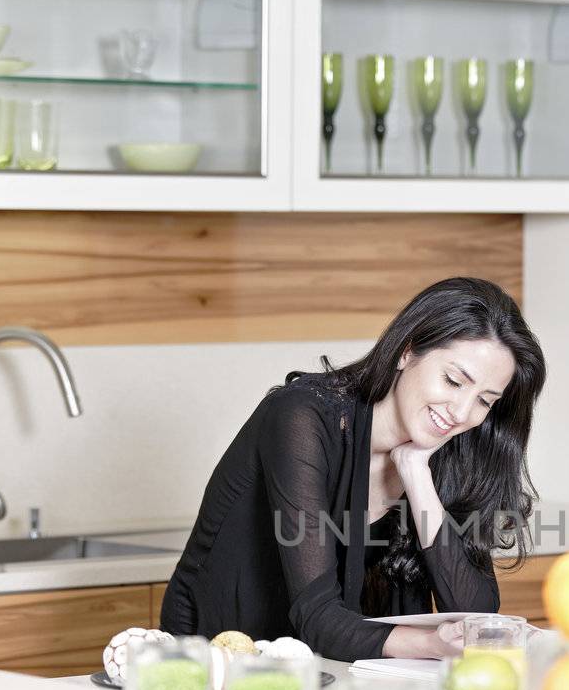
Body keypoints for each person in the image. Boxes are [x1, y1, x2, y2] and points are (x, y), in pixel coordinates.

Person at [159, 277, 546, 661]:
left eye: (485, 401)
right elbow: (317, 615)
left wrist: (415, 473)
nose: (462, 413)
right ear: (407, 352)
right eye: (453, 381)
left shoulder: (448, 445)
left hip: (339, 666)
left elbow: (476, 612)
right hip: (224, 656)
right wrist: (430, 644)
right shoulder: (302, 418)